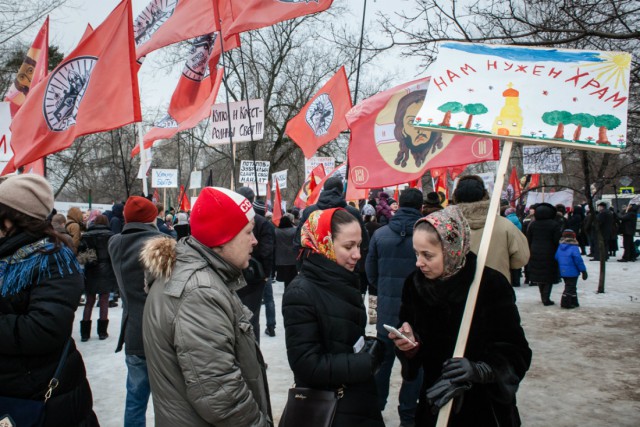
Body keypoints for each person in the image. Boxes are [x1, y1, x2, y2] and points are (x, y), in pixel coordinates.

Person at [140, 187, 272, 426]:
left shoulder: (201, 280)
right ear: (223, 236)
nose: (255, 241)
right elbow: (221, 397)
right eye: (249, 232)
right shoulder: (199, 293)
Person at [391, 206, 531, 426]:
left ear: (452, 249)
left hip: (484, 408)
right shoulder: (415, 284)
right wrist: (410, 345)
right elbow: (412, 338)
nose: (419, 262)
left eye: (427, 255)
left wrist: (480, 370)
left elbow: (517, 352)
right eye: (416, 253)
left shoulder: (489, 285)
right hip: (436, 401)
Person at [0, 175, 99, 426]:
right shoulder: (7, 254)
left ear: (14, 217)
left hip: (42, 398)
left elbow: (45, 328)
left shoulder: (53, 258)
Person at [282, 208, 385, 427]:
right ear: (324, 243)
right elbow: (305, 364)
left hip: (356, 401)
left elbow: (342, 337)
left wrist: (369, 346)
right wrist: (364, 363)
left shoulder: (342, 278)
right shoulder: (301, 292)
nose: (357, 254)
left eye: (358, 245)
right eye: (348, 246)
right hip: (330, 408)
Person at [365, 188, 424, 427]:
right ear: (420, 207)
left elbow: (371, 273)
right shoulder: (426, 237)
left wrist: (385, 289)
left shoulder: (380, 235)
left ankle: (376, 410)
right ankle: (408, 416)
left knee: (382, 363)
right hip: (417, 315)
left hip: (387, 314)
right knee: (414, 367)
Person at [108, 196, 164, 427]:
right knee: (170, 402)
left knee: (135, 400)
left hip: (133, 330)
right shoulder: (163, 242)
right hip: (161, 330)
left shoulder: (115, 243)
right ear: (152, 217)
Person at [452, 175, 530, 284]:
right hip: (497, 290)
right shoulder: (505, 226)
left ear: (455, 197)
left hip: (456, 292)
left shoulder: (446, 226)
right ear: (485, 195)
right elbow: (521, 258)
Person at [236, 188, 275, 341]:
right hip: (253, 276)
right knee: (252, 317)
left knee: (245, 317)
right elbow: (267, 250)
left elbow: (267, 249)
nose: (253, 241)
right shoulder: (262, 222)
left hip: (248, 275)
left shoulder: (258, 222)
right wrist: (266, 273)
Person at [78, 214, 116, 341]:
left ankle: (84, 333)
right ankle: (102, 332)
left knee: (89, 301)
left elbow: (82, 257)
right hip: (106, 270)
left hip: (91, 270)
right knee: (104, 300)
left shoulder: (86, 236)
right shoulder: (111, 236)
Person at [526, 203, 562, 305]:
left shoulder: (533, 224)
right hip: (550, 252)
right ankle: (546, 297)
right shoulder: (554, 224)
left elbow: (529, 238)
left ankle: (543, 296)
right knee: (548, 275)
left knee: (539, 274)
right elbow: (557, 240)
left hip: (535, 251)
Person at [555, 229, 588, 309]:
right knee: (570, 287)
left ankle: (574, 301)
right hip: (572, 271)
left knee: (571, 286)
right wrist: (583, 270)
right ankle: (565, 303)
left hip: (563, 271)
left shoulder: (560, 246)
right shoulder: (573, 247)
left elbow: (556, 257)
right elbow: (578, 260)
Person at [274, 213, 298, 288]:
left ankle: (287, 290)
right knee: (292, 278)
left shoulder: (276, 232)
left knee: (285, 278)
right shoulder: (294, 231)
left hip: (280, 259)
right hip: (293, 258)